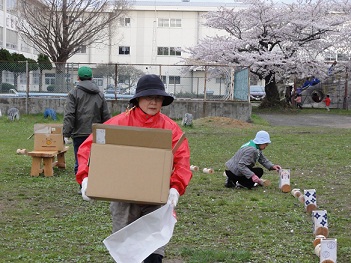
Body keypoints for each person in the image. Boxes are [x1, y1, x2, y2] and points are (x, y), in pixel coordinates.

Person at [76, 74, 192, 263]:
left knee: (154, 250)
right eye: (148, 97)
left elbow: (182, 161)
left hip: (157, 197)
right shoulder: (119, 123)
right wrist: (86, 178)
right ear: (138, 99)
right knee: (126, 250)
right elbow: (89, 148)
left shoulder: (170, 129)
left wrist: (175, 188)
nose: (153, 102)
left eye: (158, 98)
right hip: (123, 197)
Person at [63, 66, 111, 193]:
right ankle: (96, 185)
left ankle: (82, 187)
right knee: (96, 159)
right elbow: (106, 115)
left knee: (80, 159)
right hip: (97, 133)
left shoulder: (74, 93)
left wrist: (66, 133)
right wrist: (109, 132)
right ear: (91, 78)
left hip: (79, 132)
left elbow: (70, 114)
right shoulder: (100, 94)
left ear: (78, 78)